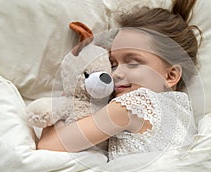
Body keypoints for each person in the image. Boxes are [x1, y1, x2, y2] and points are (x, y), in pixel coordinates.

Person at [37, 0, 201, 161]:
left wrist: (64, 103)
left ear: (170, 76)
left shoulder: (132, 106)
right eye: (113, 64)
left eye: (132, 63)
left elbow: (48, 145)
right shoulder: (184, 113)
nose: (115, 74)